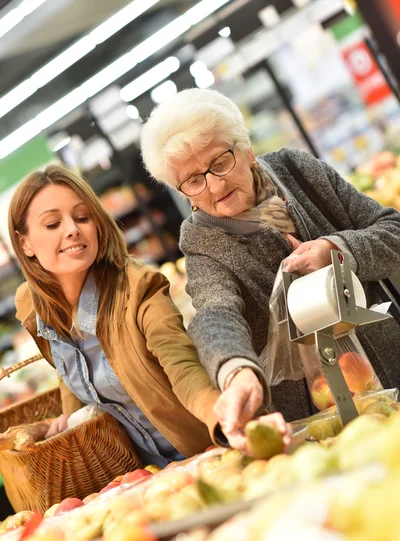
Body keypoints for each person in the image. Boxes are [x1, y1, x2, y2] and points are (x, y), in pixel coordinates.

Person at [140, 88, 400, 425]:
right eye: (193, 180)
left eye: (220, 162)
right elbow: (214, 310)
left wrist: (338, 250)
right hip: (323, 412)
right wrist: (234, 368)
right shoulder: (200, 239)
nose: (215, 187)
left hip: (392, 360)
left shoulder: (298, 171)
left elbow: (393, 229)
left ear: (246, 150)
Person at [8, 164, 290, 464]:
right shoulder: (33, 304)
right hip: (135, 475)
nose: (72, 229)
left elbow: (181, 365)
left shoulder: (137, 287)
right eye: (52, 224)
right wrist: (70, 417)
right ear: (24, 243)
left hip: (204, 455)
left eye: (82, 217)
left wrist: (226, 416)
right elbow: (67, 359)